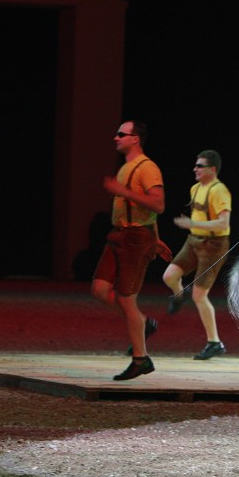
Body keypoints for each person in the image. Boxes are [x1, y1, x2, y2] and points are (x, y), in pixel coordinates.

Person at [92, 121, 168, 381]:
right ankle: (143, 323)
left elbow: (158, 205)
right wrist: (156, 240)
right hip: (120, 234)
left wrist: (123, 191)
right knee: (100, 289)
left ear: (135, 139)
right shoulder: (127, 167)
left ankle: (141, 358)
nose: (116, 138)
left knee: (127, 299)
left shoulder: (147, 168)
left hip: (135, 238)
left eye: (121, 134)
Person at [163, 150, 231, 360]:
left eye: (200, 166)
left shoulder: (219, 191)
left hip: (213, 245)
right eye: (196, 165)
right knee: (169, 277)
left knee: (200, 296)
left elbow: (223, 223)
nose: (195, 169)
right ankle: (179, 294)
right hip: (194, 241)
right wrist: (193, 227)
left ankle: (214, 342)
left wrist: (192, 223)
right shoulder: (195, 188)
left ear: (212, 169)